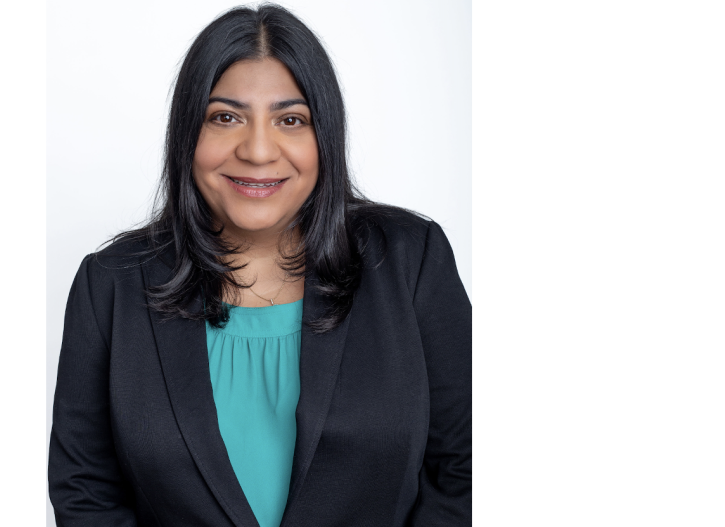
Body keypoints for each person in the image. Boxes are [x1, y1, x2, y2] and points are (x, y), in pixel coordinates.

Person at [48, 4, 471, 526]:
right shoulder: (110, 286)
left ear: (325, 137)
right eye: (225, 117)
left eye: (290, 120)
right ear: (188, 133)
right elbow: (85, 492)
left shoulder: (411, 261)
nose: (258, 151)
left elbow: (466, 470)